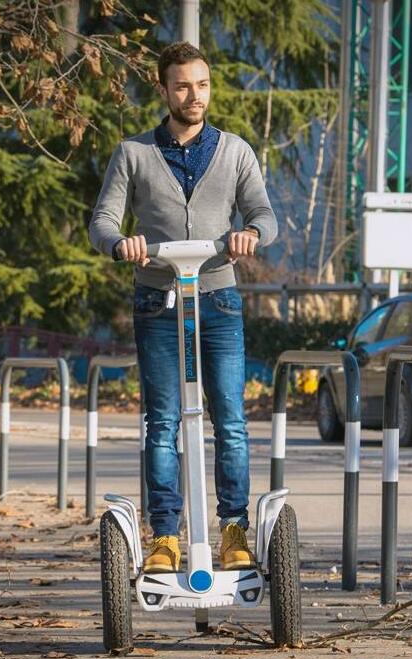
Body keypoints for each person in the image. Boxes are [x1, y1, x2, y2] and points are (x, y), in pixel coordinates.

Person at [88, 41, 277, 574]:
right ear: (164, 89)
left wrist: (252, 233)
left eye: (203, 84)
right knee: (163, 421)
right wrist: (120, 243)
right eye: (183, 86)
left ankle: (234, 529)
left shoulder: (235, 150)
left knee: (231, 420)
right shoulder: (133, 153)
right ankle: (166, 535)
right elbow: (103, 219)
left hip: (217, 296)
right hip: (157, 299)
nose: (195, 95)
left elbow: (264, 212)